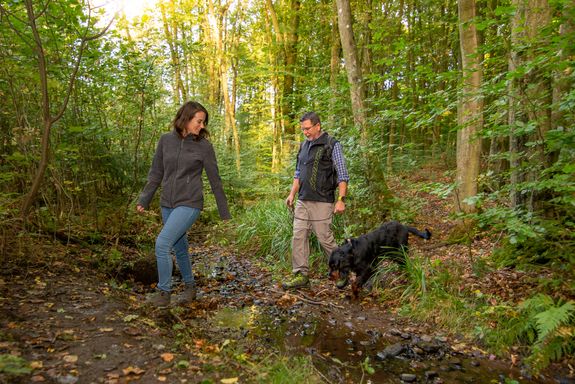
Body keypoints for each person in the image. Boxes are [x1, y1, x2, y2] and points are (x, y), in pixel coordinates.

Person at [136, 101, 231, 307]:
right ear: (185, 119)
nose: (202, 126)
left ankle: (163, 292)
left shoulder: (204, 147)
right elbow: (156, 173)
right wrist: (145, 199)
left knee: (162, 244)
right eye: (199, 121)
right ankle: (190, 288)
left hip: (190, 203)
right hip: (167, 203)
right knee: (180, 246)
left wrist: (224, 212)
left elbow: (215, 180)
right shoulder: (165, 140)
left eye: (204, 122)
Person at [283, 111, 349, 289]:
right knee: (298, 236)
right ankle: (300, 275)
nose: (305, 132)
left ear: (318, 126)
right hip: (303, 200)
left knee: (324, 238)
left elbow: (343, 174)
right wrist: (292, 194)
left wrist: (341, 199)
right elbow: (298, 173)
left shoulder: (331, 144)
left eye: (308, 128)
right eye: (302, 129)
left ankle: (342, 270)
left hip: (322, 200)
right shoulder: (303, 146)